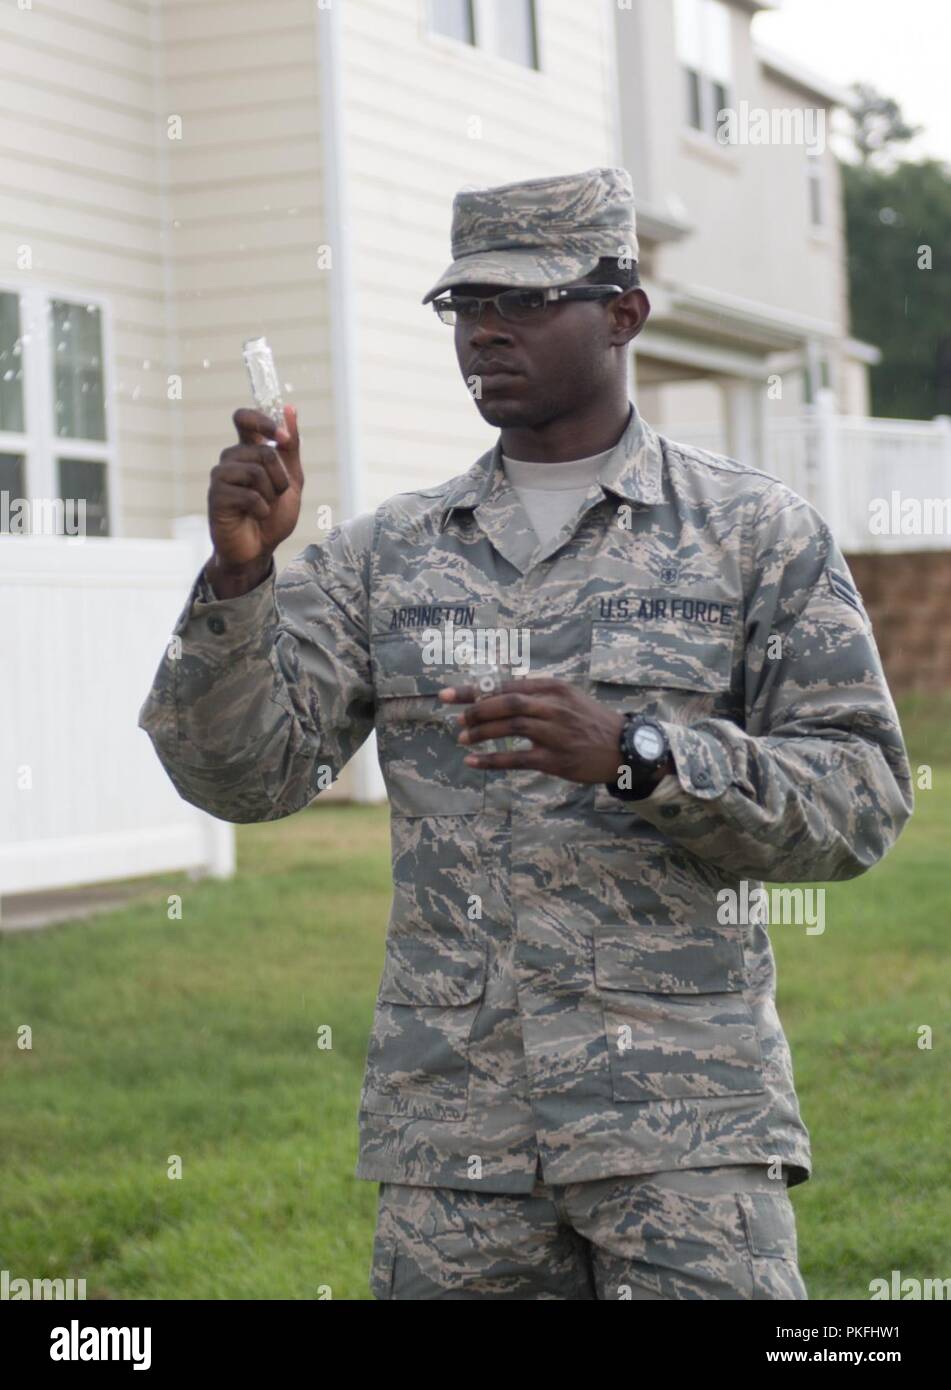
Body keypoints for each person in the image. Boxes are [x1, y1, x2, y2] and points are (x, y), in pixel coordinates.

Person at [139, 167, 913, 1300]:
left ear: (624, 313)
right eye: (467, 306)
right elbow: (243, 774)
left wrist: (643, 754)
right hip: (455, 1143)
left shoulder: (753, 534)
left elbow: (862, 796)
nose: (486, 331)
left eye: (526, 300)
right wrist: (243, 573)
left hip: (683, 1125)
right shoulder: (387, 556)